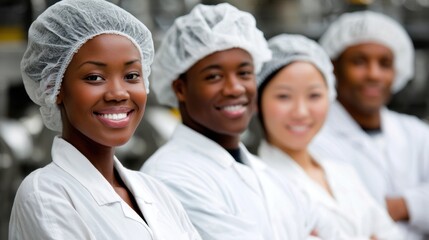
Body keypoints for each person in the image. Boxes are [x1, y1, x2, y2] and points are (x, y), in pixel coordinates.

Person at [141, 3, 342, 240]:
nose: (235, 88)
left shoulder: (271, 177)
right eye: (214, 76)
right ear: (180, 88)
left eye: (245, 73)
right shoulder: (170, 177)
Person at [9, 0, 202, 239]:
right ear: (54, 86)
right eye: (95, 77)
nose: (119, 93)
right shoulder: (45, 194)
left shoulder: (156, 192)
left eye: (132, 75)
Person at [257, 33, 404, 240]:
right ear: (257, 101)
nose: (301, 112)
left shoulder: (343, 172)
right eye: (284, 96)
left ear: (330, 97)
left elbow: (391, 234)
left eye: (314, 95)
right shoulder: (257, 183)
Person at [310, 11, 429, 239]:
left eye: (384, 63)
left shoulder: (417, 133)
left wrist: (402, 205)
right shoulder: (314, 140)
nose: (374, 74)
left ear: (397, 71)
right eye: (359, 62)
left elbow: (365, 215)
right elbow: (339, 221)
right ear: (334, 68)